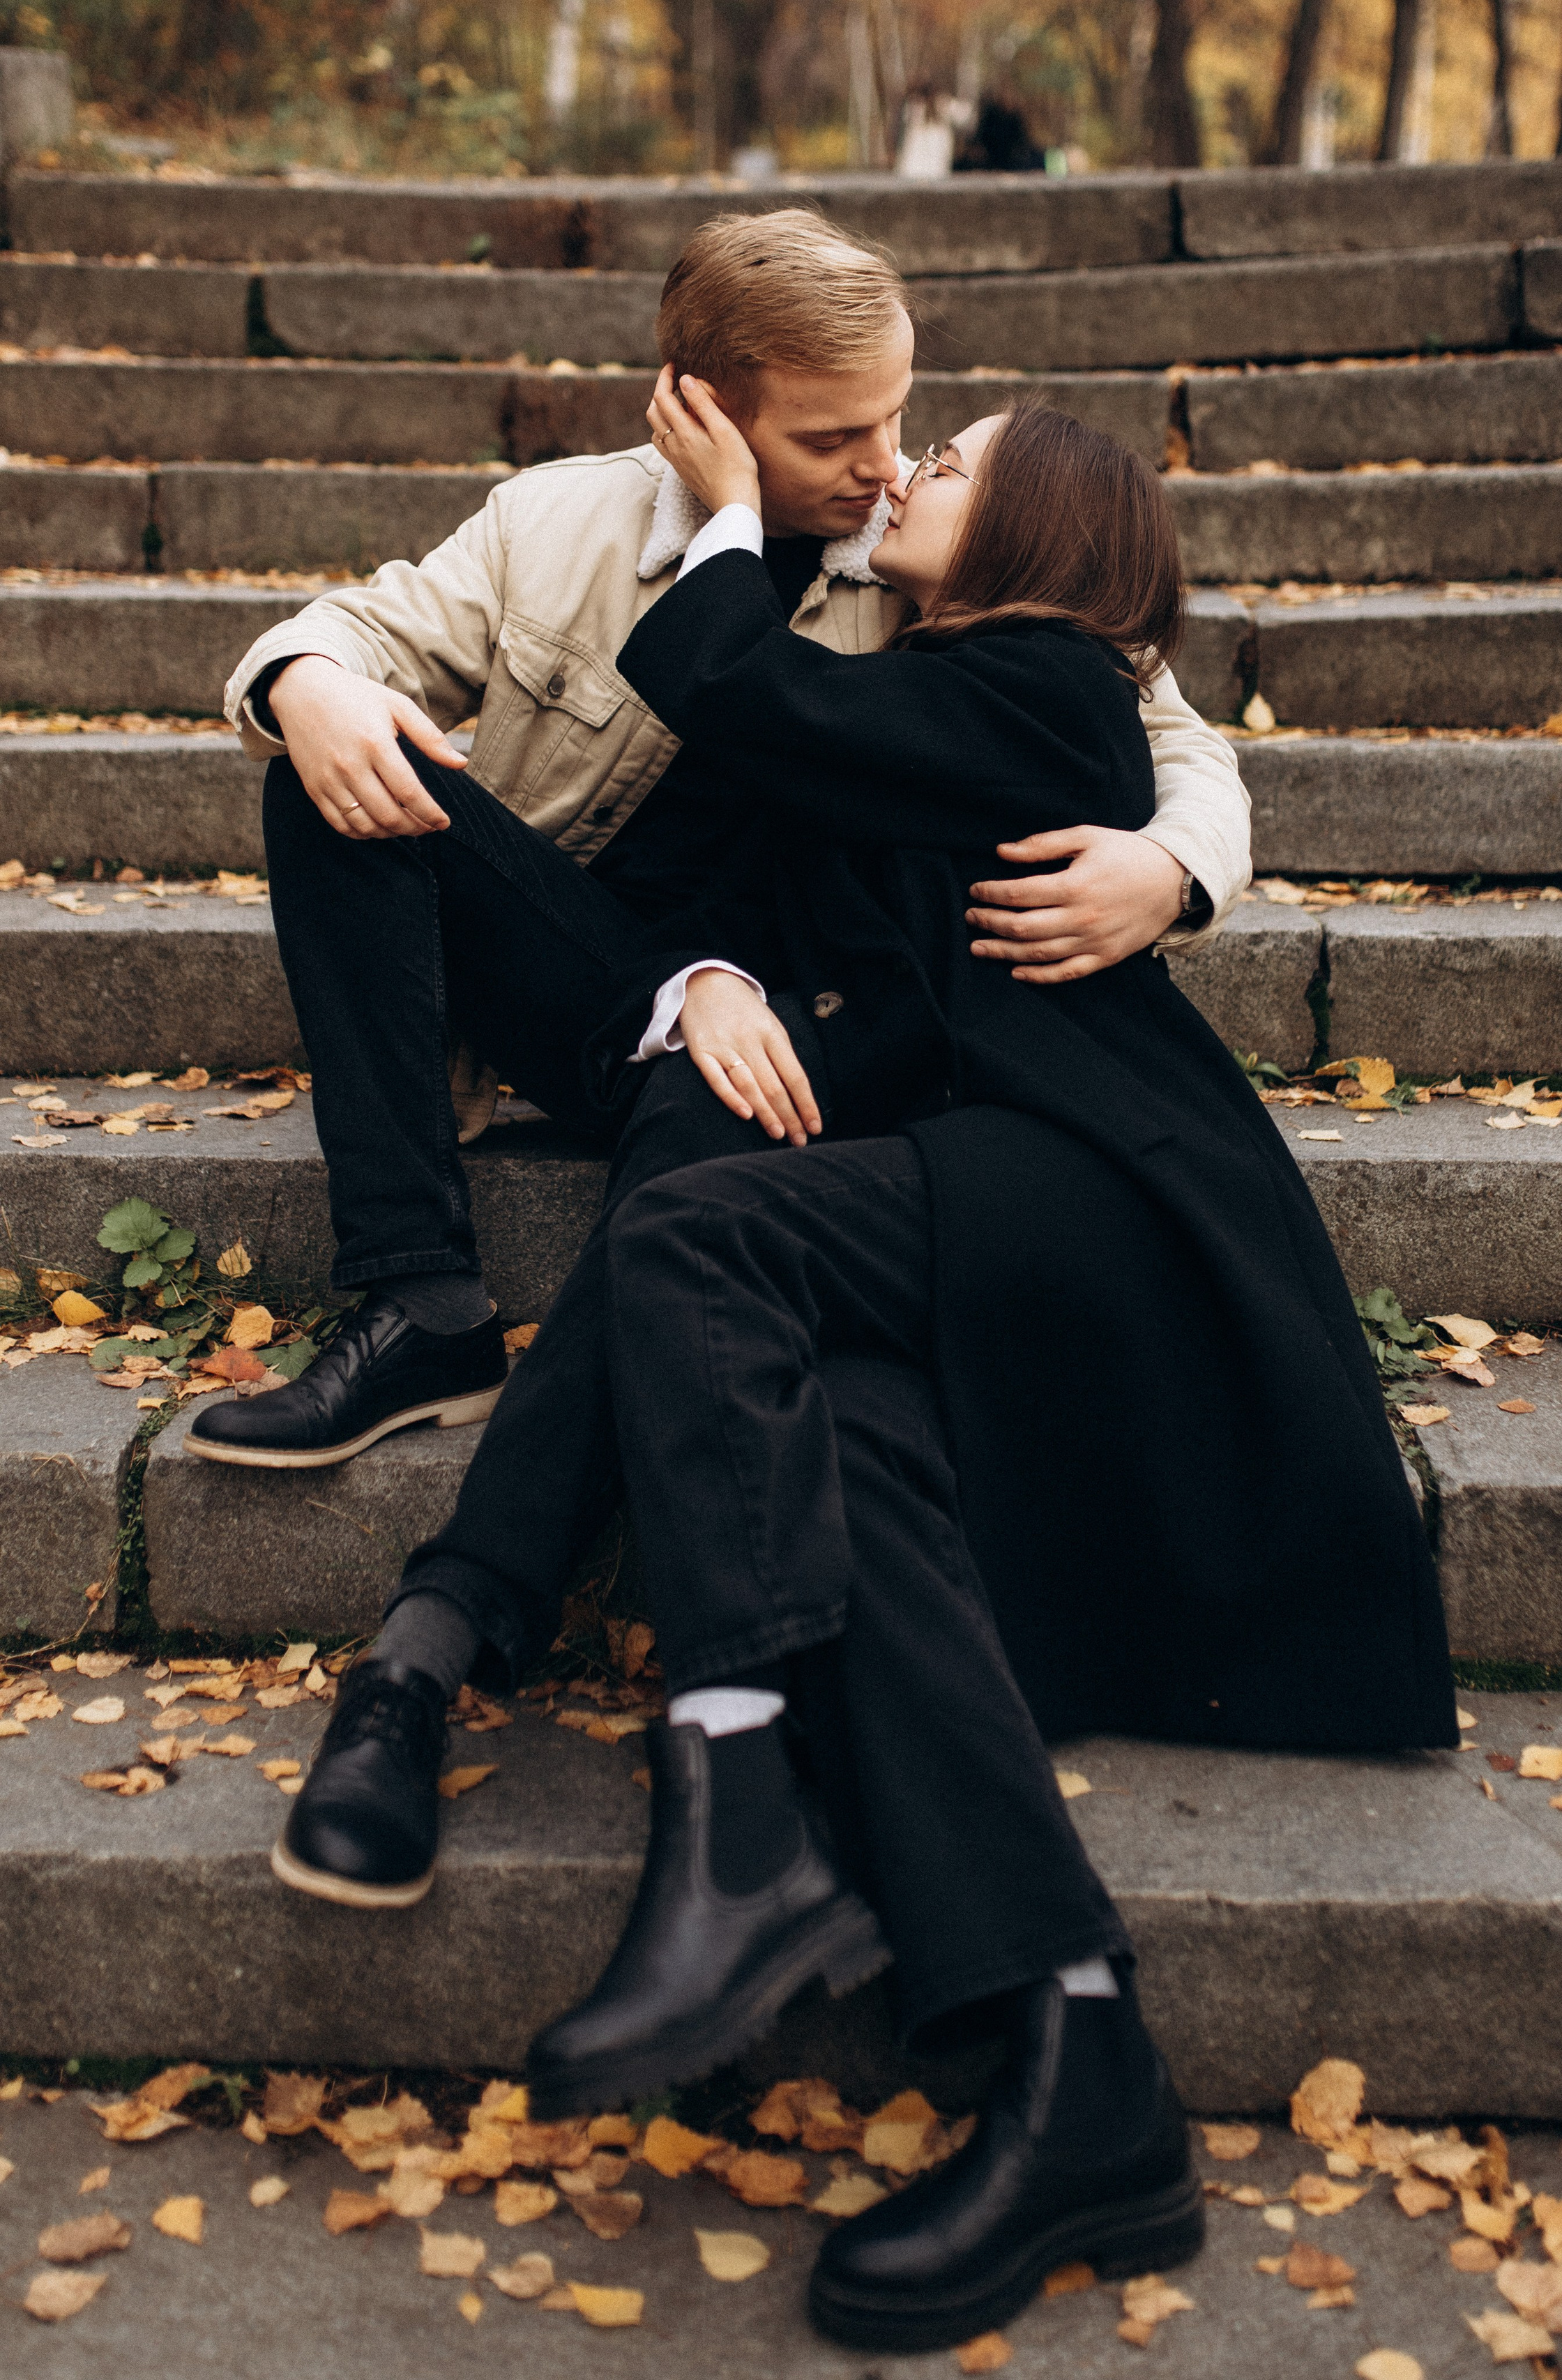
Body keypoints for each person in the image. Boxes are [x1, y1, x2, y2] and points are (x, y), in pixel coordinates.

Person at [298, 391, 1455, 2353]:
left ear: (1044, 531)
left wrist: (745, 513)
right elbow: (802, 873)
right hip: (967, 1211)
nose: (912, 473)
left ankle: (740, 1775)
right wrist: (716, 985)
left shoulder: (1047, 690)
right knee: (853, 1474)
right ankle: (1088, 2060)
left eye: (957, 460)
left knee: (692, 1232)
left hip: (1106, 1199)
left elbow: (746, 693)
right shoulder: (924, 708)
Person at [194, 206, 1249, 1479]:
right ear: (704, 414)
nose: (884, 464)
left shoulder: (928, 552)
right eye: (832, 437)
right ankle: (418, 1295)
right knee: (334, 769)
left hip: (799, 1043)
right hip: (590, 986)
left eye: (898, 418)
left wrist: (1174, 868)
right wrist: (306, 683)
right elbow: (355, 634)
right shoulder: (555, 526)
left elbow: (1161, 725)